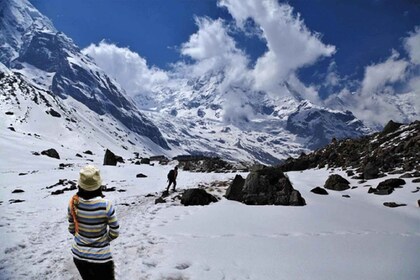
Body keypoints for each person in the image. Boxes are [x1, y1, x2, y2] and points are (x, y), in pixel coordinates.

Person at [68, 165, 119, 280]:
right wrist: (103, 240)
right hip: (101, 258)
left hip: (78, 256)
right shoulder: (106, 205)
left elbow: (72, 229)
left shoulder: (73, 203)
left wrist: (83, 237)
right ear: (98, 185)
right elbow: (115, 232)